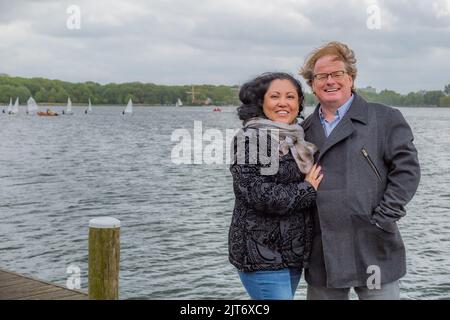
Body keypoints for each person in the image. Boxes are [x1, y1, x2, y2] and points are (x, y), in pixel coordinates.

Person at [299, 41, 421, 300]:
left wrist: (383, 217)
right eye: (321, 76)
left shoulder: (385, 118)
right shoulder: (304, 129)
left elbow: (407, 171)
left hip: (373, 242)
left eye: (337, 74)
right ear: (312, 84)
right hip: (323, 251)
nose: (330, 81)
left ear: (351, 78)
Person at [228, 72, 323, 300]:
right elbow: (258, 193)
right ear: (261, 102)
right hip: (260, 254)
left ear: (299, 103)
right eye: (275, 96)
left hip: (292, 253)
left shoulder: (296, 139)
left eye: (290, 96)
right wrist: (307, 189)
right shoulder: (250, 139)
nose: (283, 103)